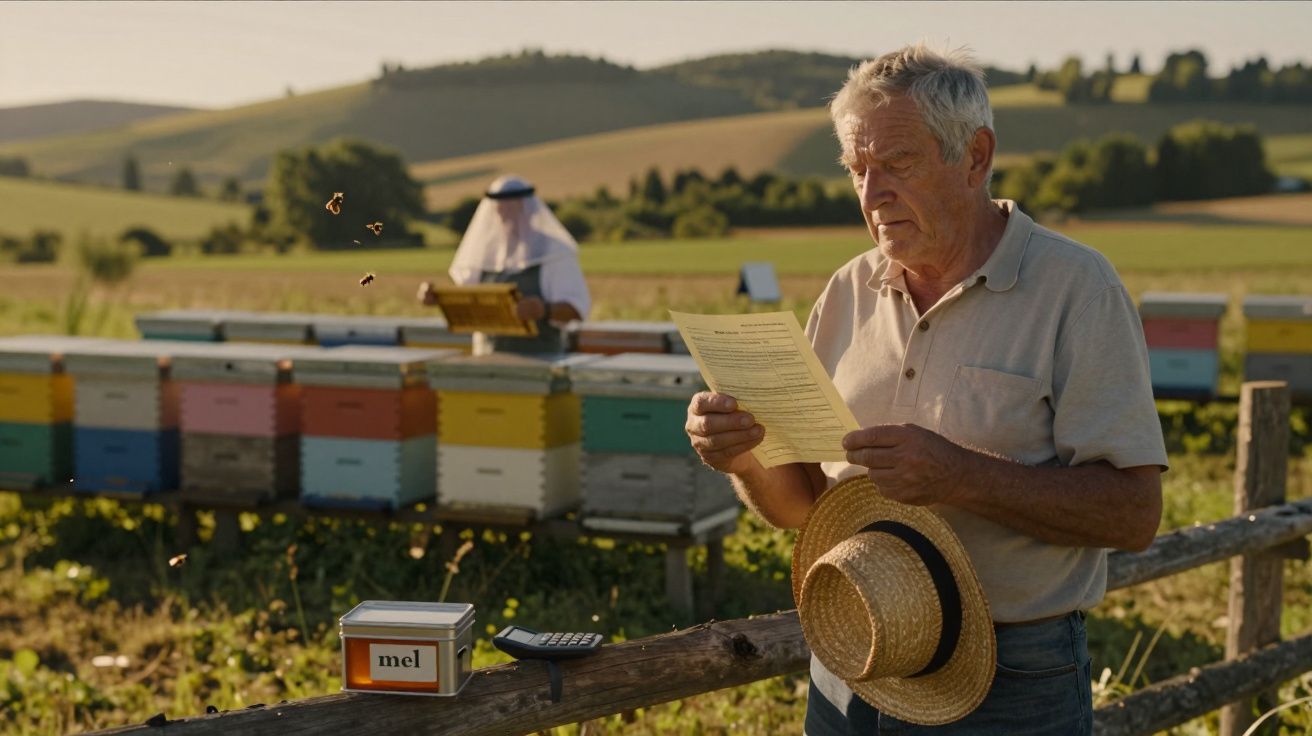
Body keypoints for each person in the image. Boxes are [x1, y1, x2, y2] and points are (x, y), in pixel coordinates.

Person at [685, 44, 1167, 734]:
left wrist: (960, 476)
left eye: (897, 163)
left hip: (1012, 674)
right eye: (858, 168)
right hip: (851, 652)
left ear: (974, 156)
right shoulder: (848, 289)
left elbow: (1133, 515)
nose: (871, 192)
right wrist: (742, 458)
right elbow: (800, 508)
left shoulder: (1077, 289)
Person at [419, 175, 590, 353]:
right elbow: (468, 299)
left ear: (528, 209)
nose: (505, 212)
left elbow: (576, 309)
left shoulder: (554, 251)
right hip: (487, 358)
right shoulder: (484, 252)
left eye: (513, 207)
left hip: (541, 359)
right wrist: (439, 297)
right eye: (501, 207)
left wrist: (544, 310)